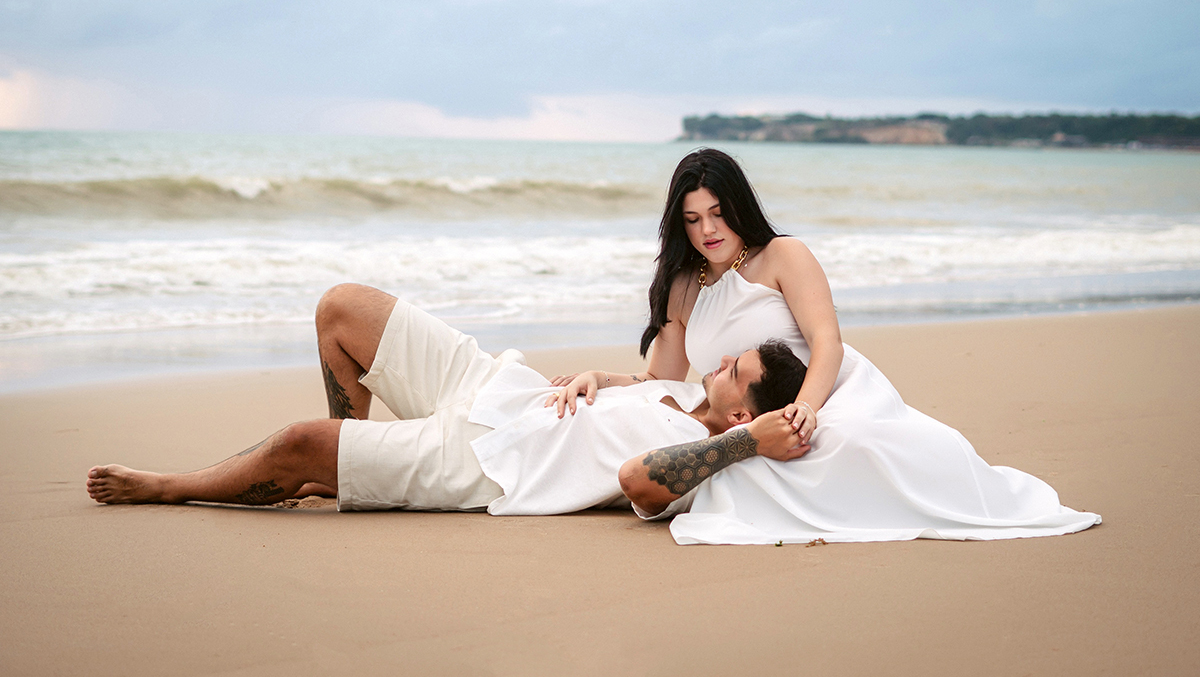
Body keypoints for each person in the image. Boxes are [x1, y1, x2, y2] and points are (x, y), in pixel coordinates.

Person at [553, 148, 1101, 544]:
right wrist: (600, 378)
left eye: (718, 213)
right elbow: (661, 381)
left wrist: (806, 409)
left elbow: (827, 342)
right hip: (742, 412)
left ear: (738, 206)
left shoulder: (783, 255)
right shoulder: (681, 284)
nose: (708, 231)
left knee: (875, 453)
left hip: (823, 388)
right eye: (693, 220)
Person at [86, 290, 810, 519]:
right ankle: (348, 457)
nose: (720, 361)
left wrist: (751, 445)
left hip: (484, 462)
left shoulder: (704, 467)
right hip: (497, 384)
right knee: (341, 309)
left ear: (744, 416)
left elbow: (636, 483)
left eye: (734, 368)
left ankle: (169, 485)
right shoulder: (683, 393)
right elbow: (635, 382)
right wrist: (598, 376)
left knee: (294, 445)